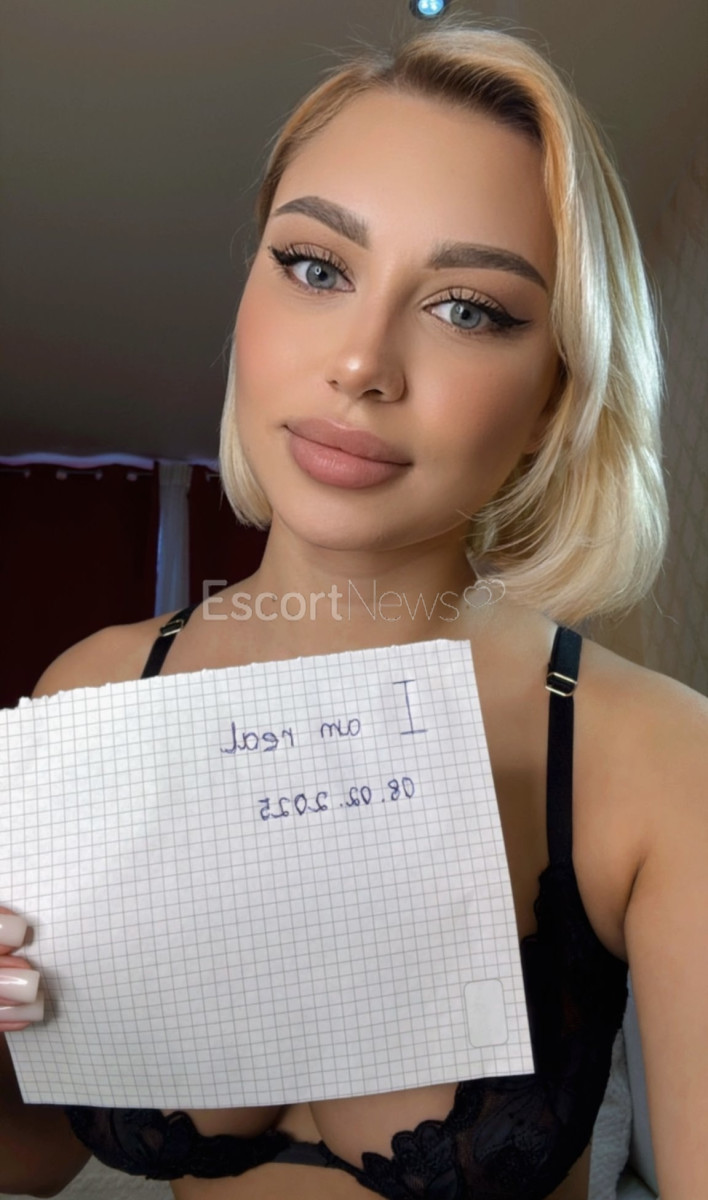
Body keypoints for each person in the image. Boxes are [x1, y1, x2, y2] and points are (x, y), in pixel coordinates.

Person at [1, 20, 706, 1200]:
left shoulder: (661, 758)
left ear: (555, 394)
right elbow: (32, 1158)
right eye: (317, 267)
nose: (361, 364)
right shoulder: (96, 692)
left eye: (468, 307)